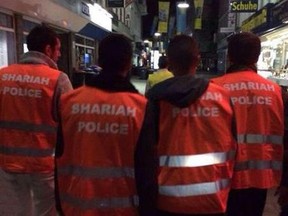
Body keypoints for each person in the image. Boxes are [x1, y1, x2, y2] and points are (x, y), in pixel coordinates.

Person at [135, 34, 237, 216]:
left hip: (167, 199)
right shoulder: (223, 97)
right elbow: (235, 146)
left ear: (170, 62)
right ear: (197, 60)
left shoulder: (156, 99)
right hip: (213, 198)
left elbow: (145, 153)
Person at [57, 33, 147, 215]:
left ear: (99, 60)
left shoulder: (69, 102)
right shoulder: (140, 108)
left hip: (76, 204)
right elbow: (146, 167)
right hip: (123, 208)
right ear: (129, 63)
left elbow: (59, 154)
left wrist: (59, 201)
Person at [0, 25, 73, 215]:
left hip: (7, 164)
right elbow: (70, 123)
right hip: (43, 165)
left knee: (15, 212)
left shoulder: (3, 76)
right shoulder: (58, 79)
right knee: (47, 212)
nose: (58, 55)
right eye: (57, 49)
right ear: (47, 49)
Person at [212, 32, 286, 216]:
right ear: (257, 56)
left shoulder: (214, 88)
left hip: (222, 175)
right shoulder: (276, 91)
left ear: (229, 56)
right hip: (260, 176)